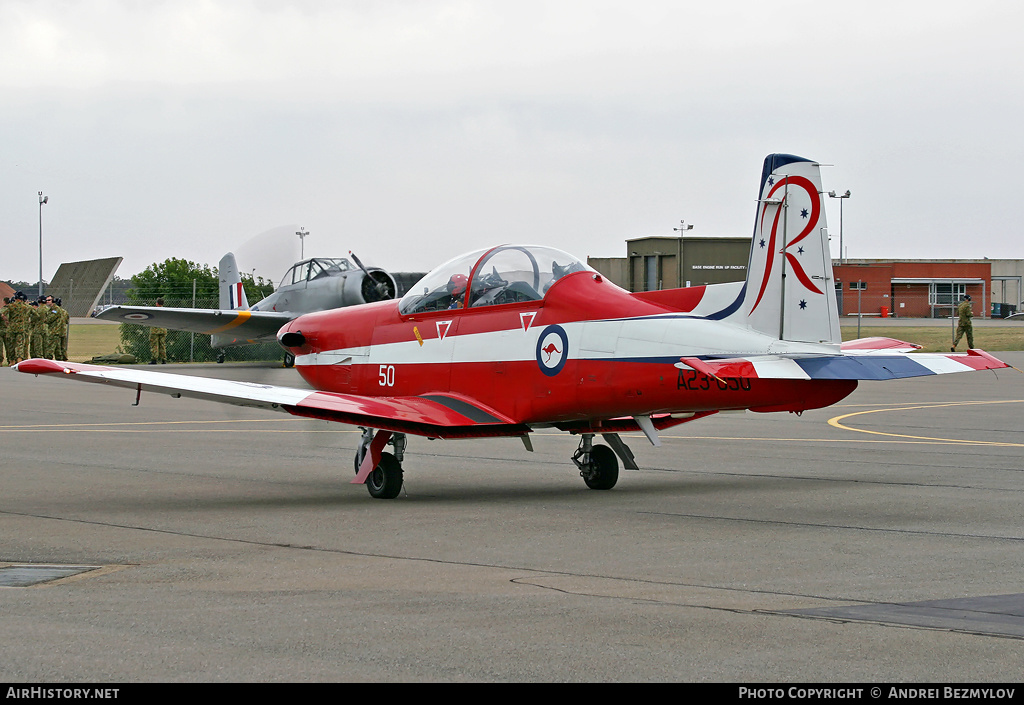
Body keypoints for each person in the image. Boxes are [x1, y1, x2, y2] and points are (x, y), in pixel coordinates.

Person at [149, 298, 168, 364]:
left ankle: (154, 359)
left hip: (155, 330)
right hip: (163, 329)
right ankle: (164, 359)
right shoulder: (166, 311)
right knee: (162, 345)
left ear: (157, 303)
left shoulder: (154, 310)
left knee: (154, 345)